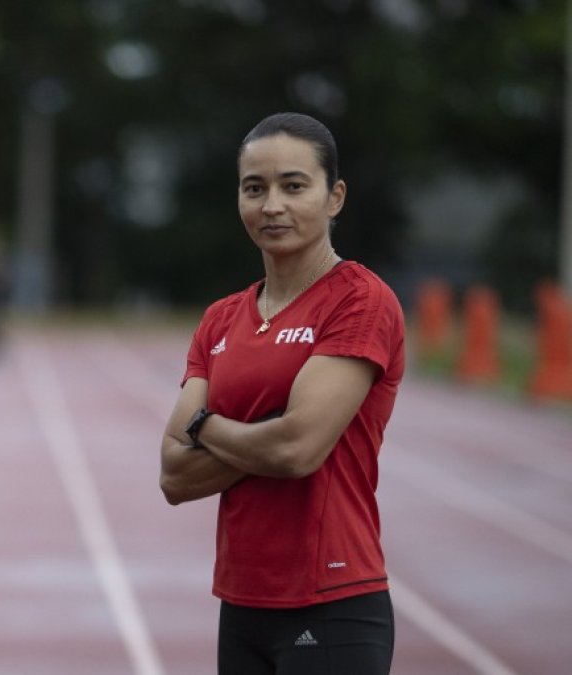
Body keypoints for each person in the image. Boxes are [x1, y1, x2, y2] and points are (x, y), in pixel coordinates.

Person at [158, 112, 404, 675]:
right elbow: (174, 475)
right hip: (242, 601)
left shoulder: (361, 302)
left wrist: (204, 425)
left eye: (294, 186)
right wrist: (267, 428)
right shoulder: (221, 319)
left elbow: (297, 451)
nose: (272, 205)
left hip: (333, 597)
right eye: (255, 188)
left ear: (334, 196)